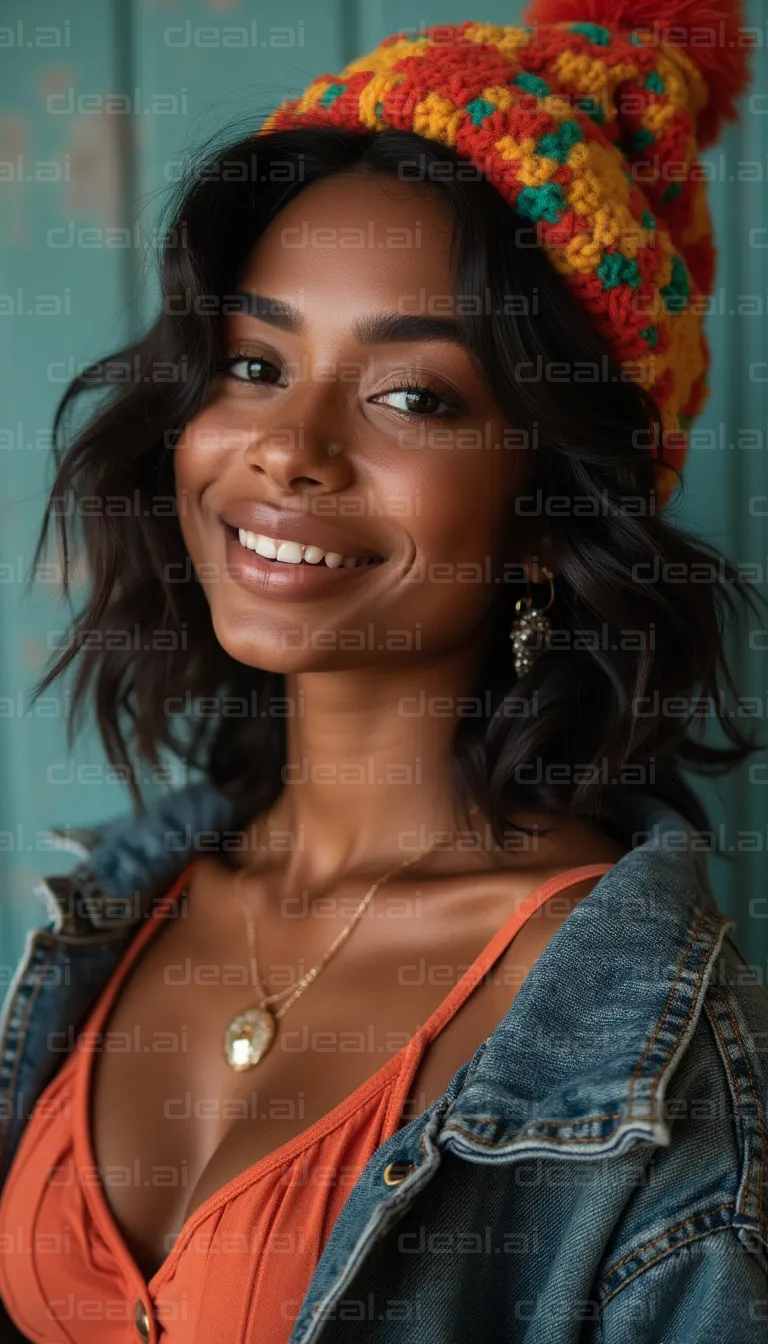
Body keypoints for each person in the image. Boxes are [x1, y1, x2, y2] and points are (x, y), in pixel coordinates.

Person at [1, 2, 767, 1341]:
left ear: (548, 509)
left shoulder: (649, 1047)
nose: (287, 448)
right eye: (254, 363)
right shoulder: (114, 913)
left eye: (412, 395)